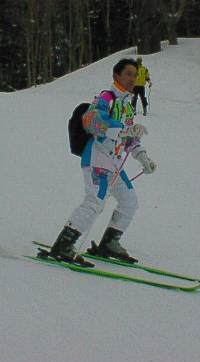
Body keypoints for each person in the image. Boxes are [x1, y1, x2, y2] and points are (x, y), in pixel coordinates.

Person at [48, 58, 157, 265]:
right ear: (116, 75)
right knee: (95, 201)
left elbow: (129, 138)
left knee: (129, 201)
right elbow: (92, 121)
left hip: (114, 163)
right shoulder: (107, 98)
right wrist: (122, 130)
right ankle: (63, 245)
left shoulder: (127, 106)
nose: (132, 79)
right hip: (97, 157)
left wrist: (143, 158)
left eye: (135, 75)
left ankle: (110, 243)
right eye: (128, 74)